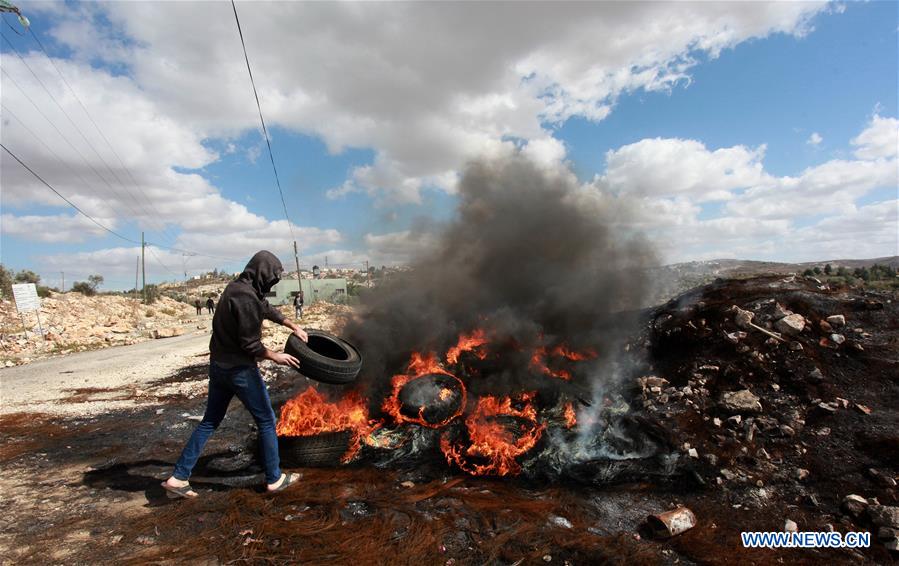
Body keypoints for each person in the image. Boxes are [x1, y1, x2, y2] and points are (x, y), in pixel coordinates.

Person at [162, 251, 308, 498]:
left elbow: (264, 306)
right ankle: (274, 478)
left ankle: (178, 477)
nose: (271, 283)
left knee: (210, 421)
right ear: (262, 273)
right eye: (271, 278)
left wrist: (291, 324)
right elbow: (250, 345)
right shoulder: (246, 298)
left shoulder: (238, 288)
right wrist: (276, 355)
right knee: (266, 421)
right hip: (239, 370)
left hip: (218, 366)